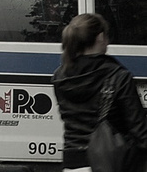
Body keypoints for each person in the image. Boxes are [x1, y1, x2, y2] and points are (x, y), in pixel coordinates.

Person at [52, 13, 147, 171]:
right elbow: (140, 132)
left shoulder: (59, 76)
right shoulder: (118, 76)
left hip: (72, 163)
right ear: (101, 37)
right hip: (108, 162)